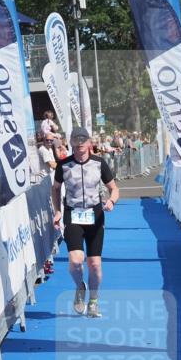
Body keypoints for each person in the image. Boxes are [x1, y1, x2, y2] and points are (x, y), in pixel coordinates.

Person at [51, 126, 120, 318]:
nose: (80, 147)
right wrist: (57, 211)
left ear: (89, 143)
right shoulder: (63, 165)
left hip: (95, 215)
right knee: (75, 261)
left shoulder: (99, 164)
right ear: (71, 143)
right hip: (72, 214)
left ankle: (94, 300)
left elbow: (114, 188)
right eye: (76, 143)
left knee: (95, 264)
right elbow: (55, 189)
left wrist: (112, 201)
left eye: (83, 143)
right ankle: (80, 286)